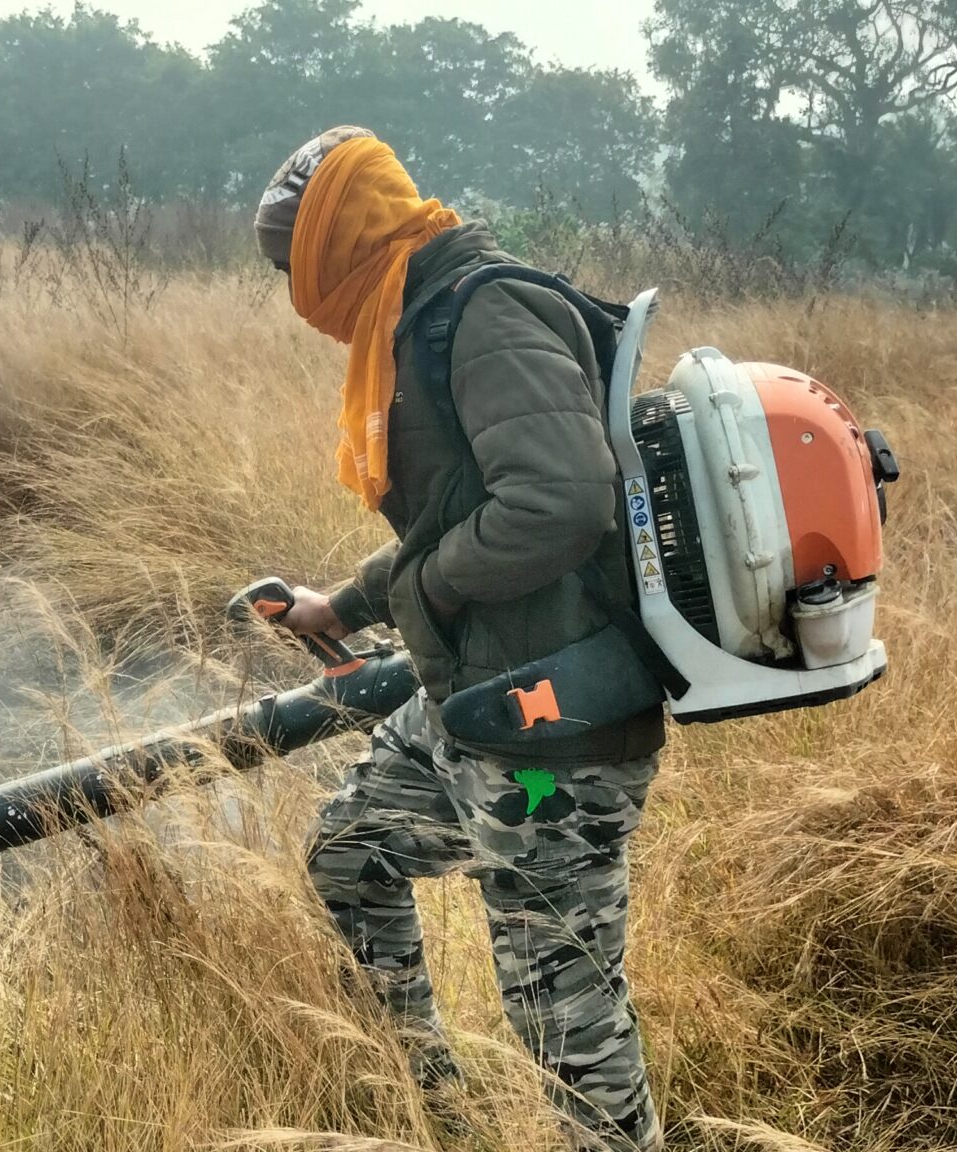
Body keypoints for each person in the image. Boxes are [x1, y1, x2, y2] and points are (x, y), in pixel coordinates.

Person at [255, 126, 667, 1150]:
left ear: (338, 240)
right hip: (476, 709)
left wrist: (426, 593)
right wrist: (342, 609)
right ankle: (427, 1100)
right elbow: (454, 515)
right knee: (351, 857)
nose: (291, 290)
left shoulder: (483, 311)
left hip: (549, 741)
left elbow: (561, 503)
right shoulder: (418, 314)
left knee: (561, 1012)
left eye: (289, 261)